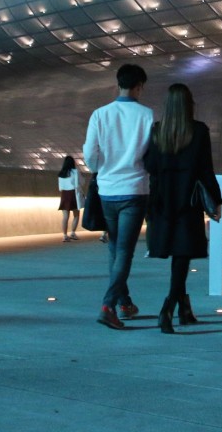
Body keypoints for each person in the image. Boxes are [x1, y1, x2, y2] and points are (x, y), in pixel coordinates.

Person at [143, 83, 222, 334]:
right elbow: (206, 170)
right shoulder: (198, 131)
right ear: (190, 104)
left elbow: (149, 165)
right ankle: (168, 308)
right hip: (187, 201)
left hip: (163, 200)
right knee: (182, 255)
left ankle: (184, 309)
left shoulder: (157, 131)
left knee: (178, 254)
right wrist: (217, 202)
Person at [82, 63, 153, 330]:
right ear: (139, 86)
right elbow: (149, 153)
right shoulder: (146, 115)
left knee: (115, 247)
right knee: (124, 250)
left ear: (118, 83)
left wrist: (100, 169)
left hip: (108, 190)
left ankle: (124, 302)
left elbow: (90, 153)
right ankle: (108, 305)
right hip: (135, 189)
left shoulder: (100, 114)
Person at [57, 155, 83, 241]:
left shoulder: (61, 173)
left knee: (65, 216)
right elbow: (81, 182)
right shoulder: (75, 172)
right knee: (76, 215)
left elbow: (60, 187)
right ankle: (73, 233)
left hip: (64, 194)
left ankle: (64, 235)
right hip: (73, 194)